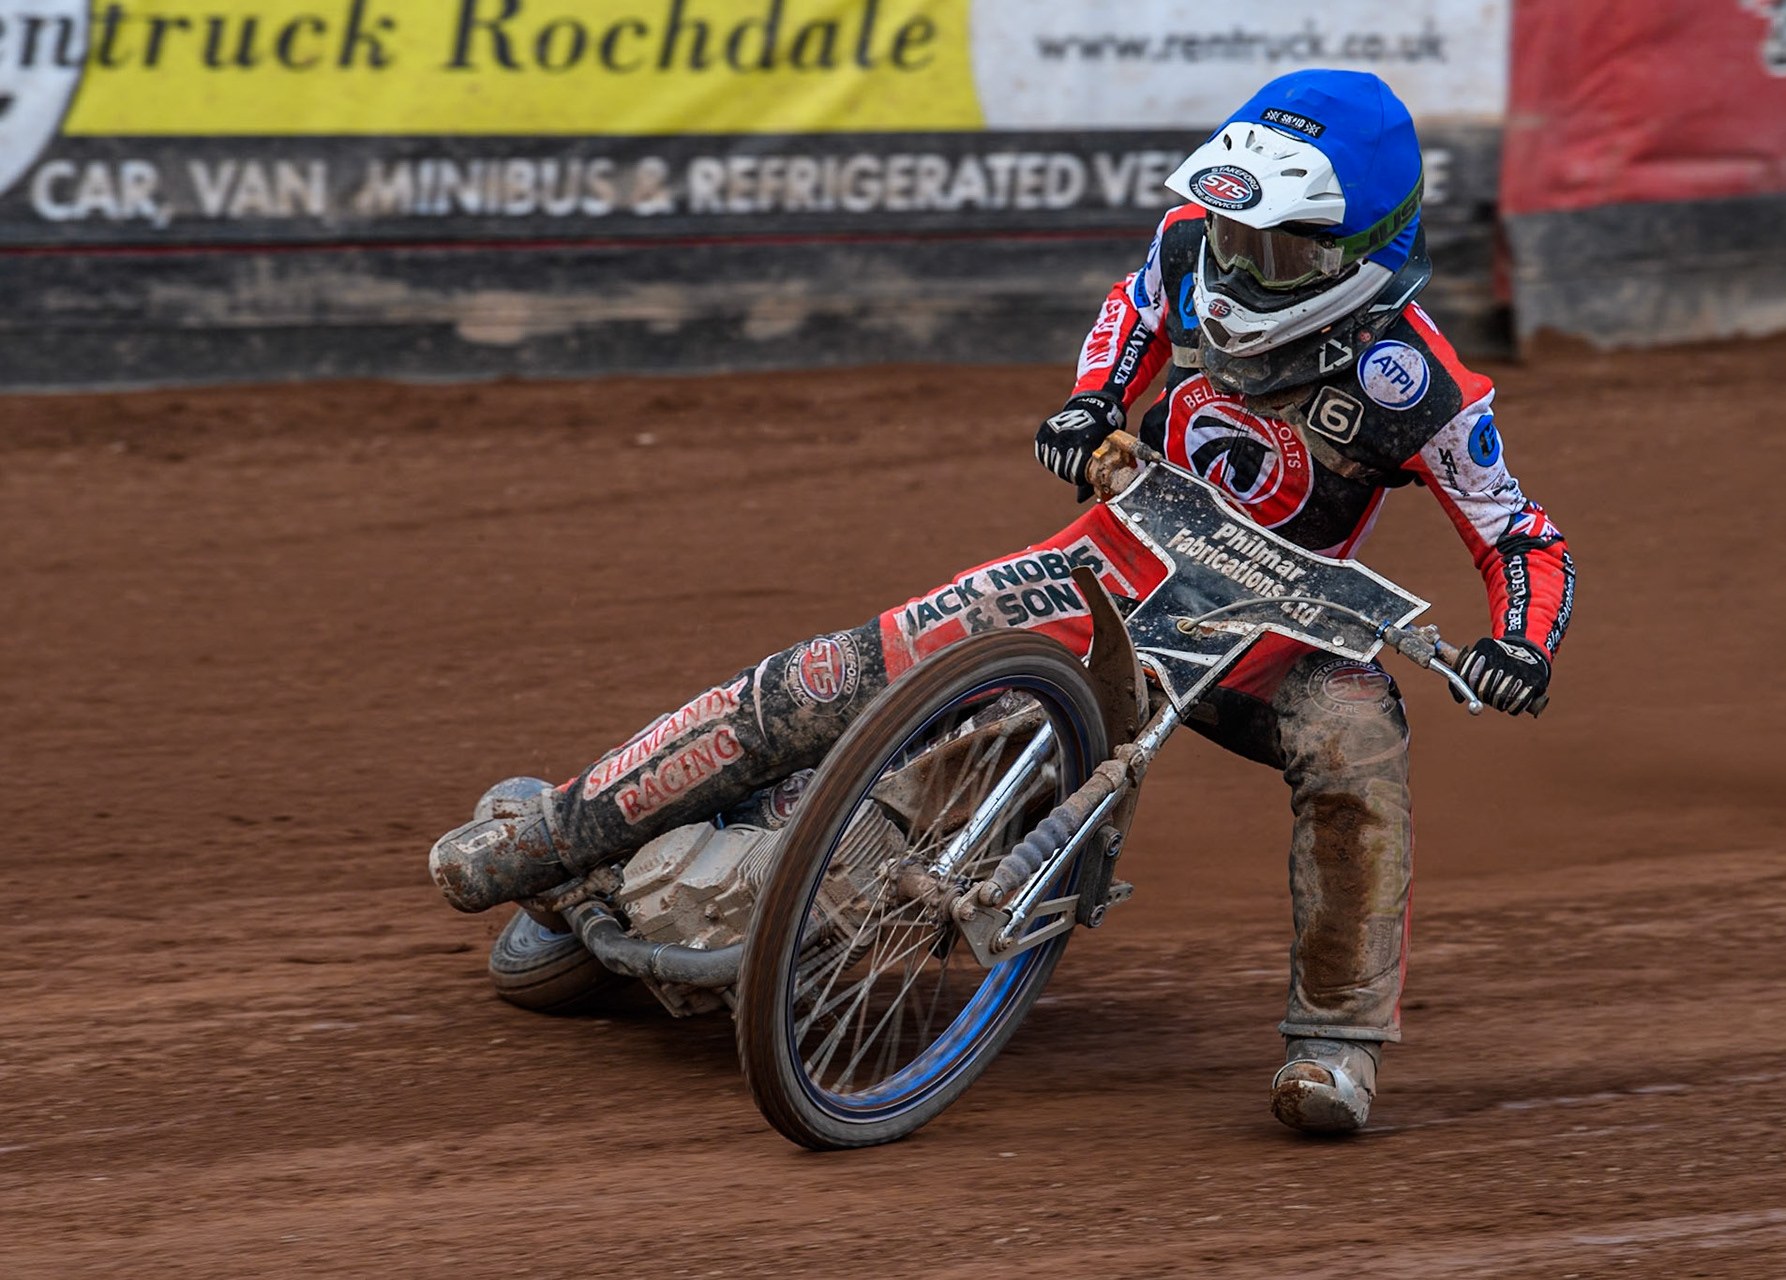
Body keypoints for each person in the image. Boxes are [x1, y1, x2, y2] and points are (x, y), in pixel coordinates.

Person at [428, 69, 1573, 1135]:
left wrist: (1520, 642)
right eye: (1230, 232)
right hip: (1108, 568)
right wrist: (1091, 404)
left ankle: (1336, 1044)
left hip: (1279, 639)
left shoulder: (1413, 385)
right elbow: (1130, 314)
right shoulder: (1188, 252)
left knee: (1360, 744)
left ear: (1361, 255)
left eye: (1273, 251)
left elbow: (1522, 536)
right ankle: (553, 838)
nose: (1235, 267)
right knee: (843, 673)